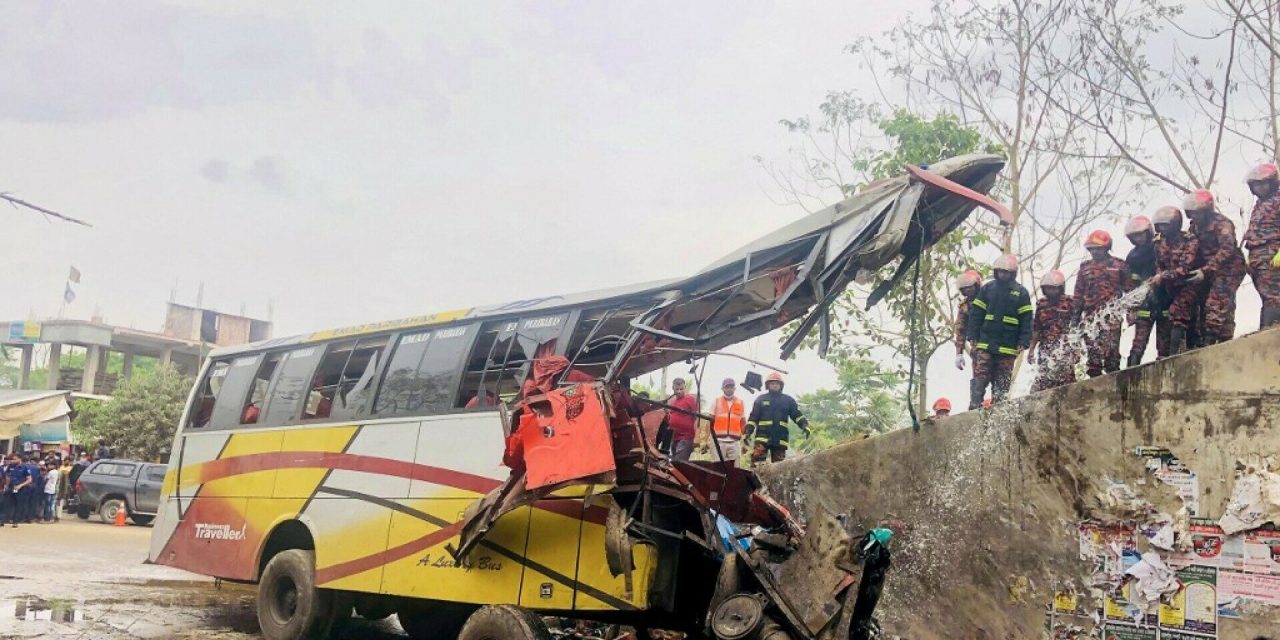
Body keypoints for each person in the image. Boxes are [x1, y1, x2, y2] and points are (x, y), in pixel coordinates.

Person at [965, 255, 1033, 409]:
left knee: (1002, 380)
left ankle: (999, 408)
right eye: (1000, 271)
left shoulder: (1021, 292)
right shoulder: (987, 289)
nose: (1003, 275)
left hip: (1008, 346)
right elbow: (976, 314)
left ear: (1012, 273)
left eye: (1006, 272)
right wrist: (972, 335)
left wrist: (1024, 341)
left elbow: (1026, 319)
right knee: (980, 375)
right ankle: (975, 406)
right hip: (986, 342)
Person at [1183, 189, 1246, 346]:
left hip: (1229, 268)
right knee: (1210, 306)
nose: (1195, 217)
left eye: (1197, 213)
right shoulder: (1193, 229)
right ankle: (1223, 340)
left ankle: (1210, 342)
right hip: (1207, 271)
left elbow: (1227, 249)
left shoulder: (1221, 223)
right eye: (1192, 213)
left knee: (1216, 303)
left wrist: (1205, 270)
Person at [1072, 230, 1132, 377]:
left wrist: (1131, 311)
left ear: (1106, 248)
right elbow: (1078, 294)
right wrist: (1075, 318)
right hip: (1091, 316)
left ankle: (1114, 382)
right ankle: (1094, 384)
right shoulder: (1085, 267)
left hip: (1112, 316)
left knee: (1111, 355)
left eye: (1097, 248)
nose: (1094, 252)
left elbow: (1130, 291)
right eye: (1091, 249)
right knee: (1093, 356)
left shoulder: (1119, 265)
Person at [1149, 206, 1203, 356]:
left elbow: (1186, 267)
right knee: (1170, 319)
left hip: (1189, 284)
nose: (1162, 228)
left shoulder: (1189, 239)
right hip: (1170, 288)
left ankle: (1175, 355)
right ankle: (1168, 353)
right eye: (1159, 225)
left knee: (1179, 313)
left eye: (1165, 225)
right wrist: (1158, 276)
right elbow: (1159, 265)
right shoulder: (1158, 243)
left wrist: (1163, 276)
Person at [1123, 215, 1165, 367]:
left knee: (1165, 343)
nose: (1138, 238)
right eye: (1135, 236)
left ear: (1148, 232)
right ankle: (1130, 373)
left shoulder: (1161, 246)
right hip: (1144, 304)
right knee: (1138, 343)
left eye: (1140, 234)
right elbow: (1130, 282)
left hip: (1165, 301)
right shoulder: (1133, 256)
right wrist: (1131, 308)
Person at [1027, 270, 1077, 391]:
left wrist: (1076, 350)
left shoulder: (1070, 302)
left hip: (1064, 347)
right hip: (1045, 347)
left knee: (1066, 381)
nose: (1051, 291)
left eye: (1054, 288)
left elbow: (1077, 326)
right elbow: (1036, 329)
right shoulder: (1041, 303)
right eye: (1048, 288)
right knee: (1045, 379)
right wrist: (1031, 349)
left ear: (1060, 288)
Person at [1244, 163, 1280, 328]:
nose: (1260, 187)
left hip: (1272, 254)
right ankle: (1268, 328)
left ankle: (1269, 330)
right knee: (1266, 295)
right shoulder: (1259, 205)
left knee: (1273, 295)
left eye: (1263, 183)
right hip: (1257, 257)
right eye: (1256, 184)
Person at [746, 372, 810, 464]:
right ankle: (755, 479)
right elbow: (753, 418)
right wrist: (748, 431)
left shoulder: (788, 401)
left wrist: (804, 425)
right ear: (768, 385)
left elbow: (796, 415)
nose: (774, 385)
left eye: (777, 383)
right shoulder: (760, 399)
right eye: (772, 383)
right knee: (757, 466)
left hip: (780, 439)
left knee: (779, 468)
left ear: (781, 385)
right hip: (762, 438)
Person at [709, 378, 746, 465]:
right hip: (719, 441)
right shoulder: (716, 401)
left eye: (731, 387)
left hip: (735, 442)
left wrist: (744, 442)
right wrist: (707, 439)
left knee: (735, 469)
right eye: (727, 387)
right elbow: (709, 421)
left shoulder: (740, 402)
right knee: (718, 469)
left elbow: (743, 423)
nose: (729, 389)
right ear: (723, 388)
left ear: (734, 388)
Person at [953, 270, 983, 371]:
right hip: (978, 348)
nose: (968, 290)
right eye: (964, 289)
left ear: (977, 285)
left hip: (996, 345)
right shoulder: (965, 306)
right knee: (978, 383)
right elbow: (961, 330)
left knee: (1000, 382)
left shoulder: (990, 298)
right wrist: (959, 353)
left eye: (970, 287)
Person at [665, 378, 699, 462]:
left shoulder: (690, 399)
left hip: (686, 437)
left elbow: (697, 418)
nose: (679, 391)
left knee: (679, 463)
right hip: (674, 437)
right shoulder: (672, 402)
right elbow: (670, 419)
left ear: (685, 387)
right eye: (677, 389)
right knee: (673, 463)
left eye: (681, 389)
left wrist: (697, 436)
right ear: (673, 388)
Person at [3, 454, 32, 527]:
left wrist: (20, 485)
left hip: (20, 489)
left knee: (18, 505)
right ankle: (3, 520)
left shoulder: (24, 467)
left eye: (14, 459)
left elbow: (29, 479)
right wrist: (6, 485)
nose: (12, 461)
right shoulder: (11, 466)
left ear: (19, 459)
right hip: (11, 487)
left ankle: (15, 521)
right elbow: (8, 476)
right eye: (12, 459)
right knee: (6, 504)